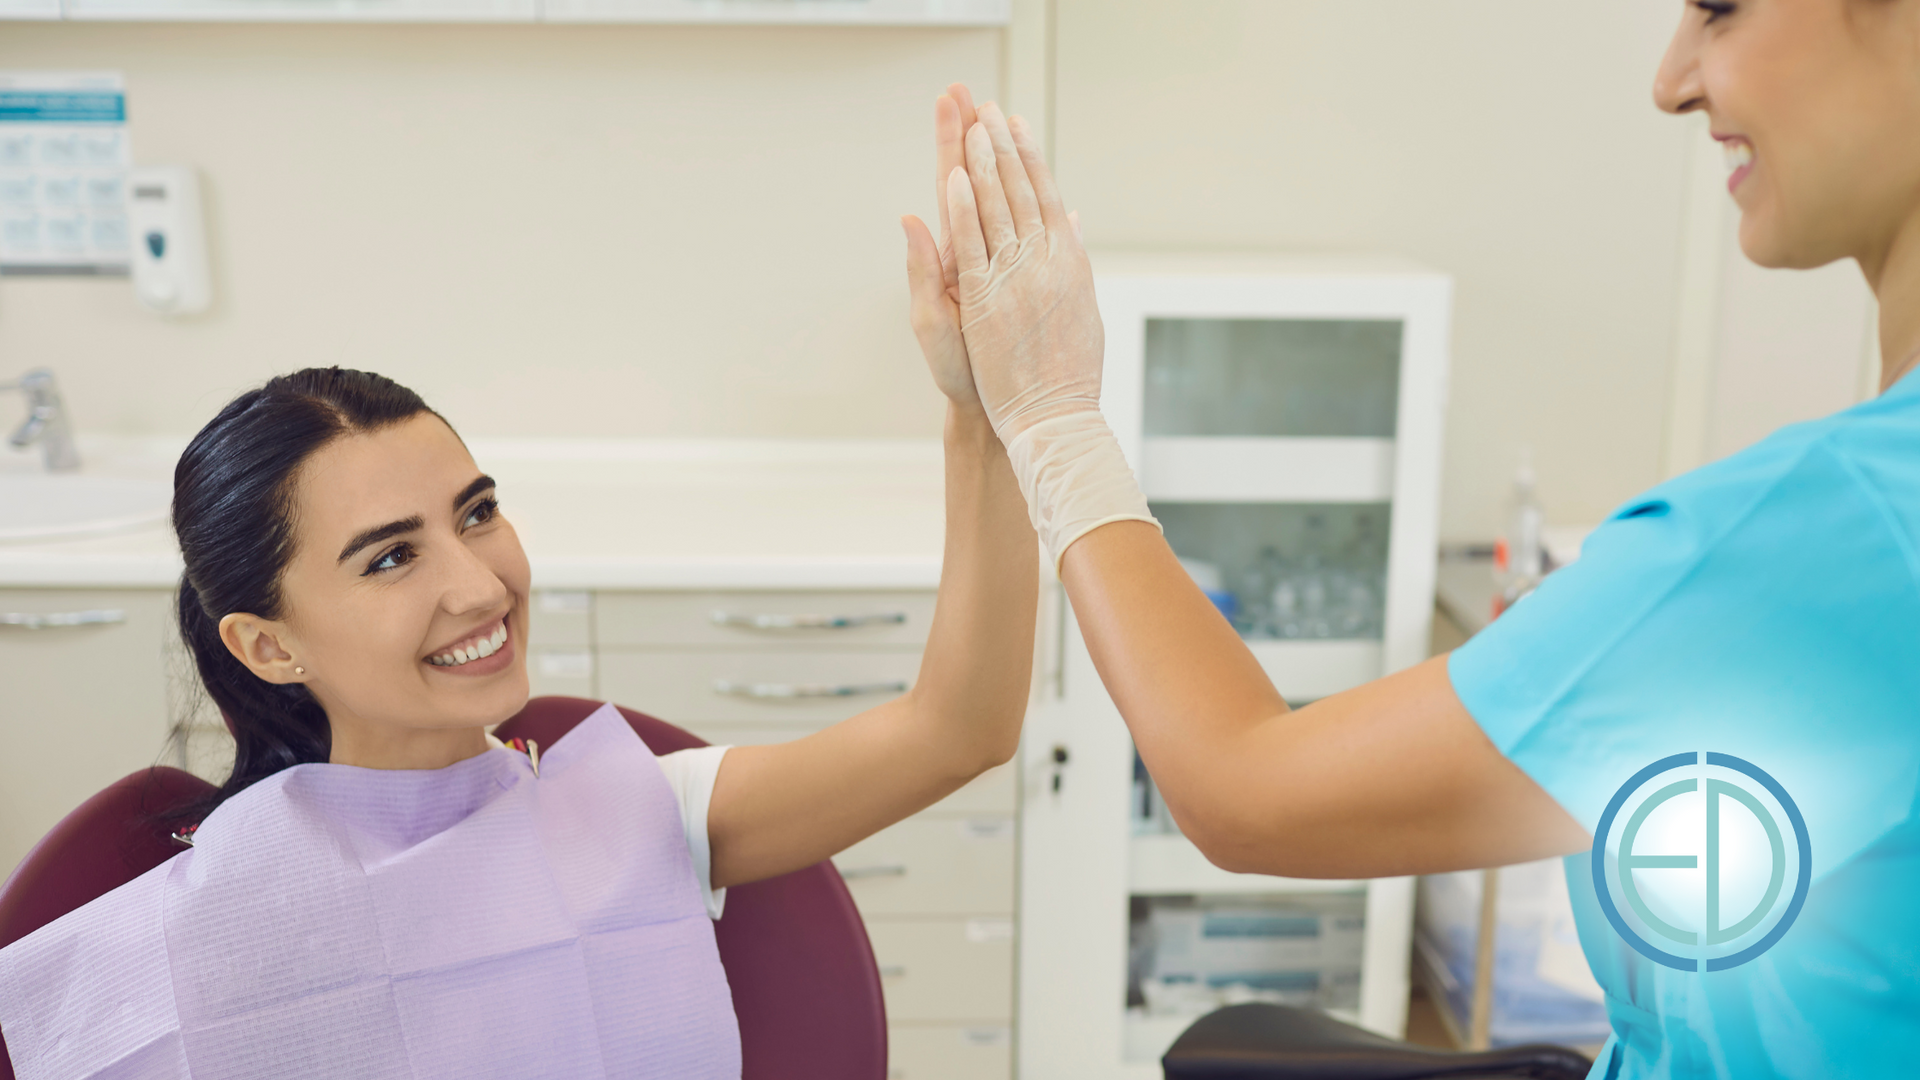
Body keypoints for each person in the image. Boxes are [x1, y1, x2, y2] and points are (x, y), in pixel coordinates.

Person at [905, 1, 1920, 1075]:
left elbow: (1241, 790)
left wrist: (1055, 417)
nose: (1670, 80)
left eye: (1721, 6)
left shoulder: (1837, 529)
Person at [0, 345, 1035, 1068]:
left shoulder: (643, 814)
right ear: (268, 644)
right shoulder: (177, 950)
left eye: (479, 514)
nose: (483, 586)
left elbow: (959, 728)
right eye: (393, 556)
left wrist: (979, 419)